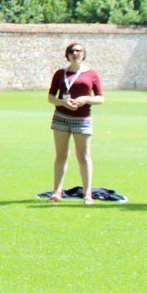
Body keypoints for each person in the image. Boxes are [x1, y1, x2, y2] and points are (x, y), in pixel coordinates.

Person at [45, 42, 104, 205]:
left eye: (79, 51)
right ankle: (57, 191)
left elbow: (100, 98)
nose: (75, 53)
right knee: (61, 155)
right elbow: (50, 97)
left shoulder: (91, 74)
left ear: (84, 54)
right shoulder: (60, 74)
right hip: (61, 117)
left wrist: (85, 99)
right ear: (67, 54)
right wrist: (62, 103)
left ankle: (87, 194)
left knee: (84, 156)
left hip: (82, 118)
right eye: (72, 51)